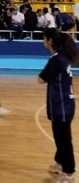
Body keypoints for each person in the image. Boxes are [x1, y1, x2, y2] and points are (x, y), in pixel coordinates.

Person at [39, 28, 79, 183]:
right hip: (63, 104)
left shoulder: (56, 60)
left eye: (44, 39)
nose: (43, 42)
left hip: (61, 105)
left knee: (64, 139)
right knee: (60, 137)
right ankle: (60, 163)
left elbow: (41, 79)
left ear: (49, 41)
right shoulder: (61, 57)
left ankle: (69, 173)